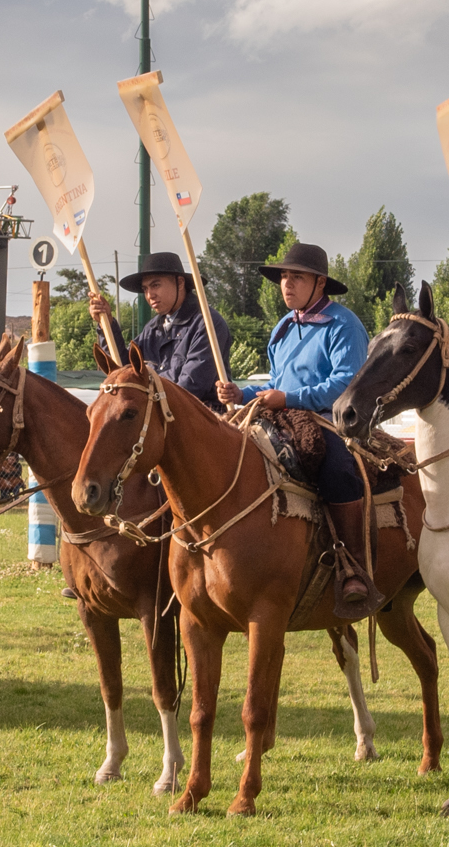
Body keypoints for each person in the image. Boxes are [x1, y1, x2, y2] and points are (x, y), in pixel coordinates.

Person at [215, 243, 377, 621]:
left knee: (337, 469)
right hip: (281, 417)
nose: (287, 284)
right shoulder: (283, 328)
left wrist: (289, 398)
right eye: (284, 277)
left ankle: (353, 566)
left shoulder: (344, 325)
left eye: (297, 277)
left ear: (320, 283)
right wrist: (242, 394)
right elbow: (276, 383)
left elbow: (346, 383)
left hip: (330, 421)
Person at [88, 252, 231, 411]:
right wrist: (107, 324)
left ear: (180, 283)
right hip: (156, 416)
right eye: (145, 289)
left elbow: (190, 386)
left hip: (202, 418)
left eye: (156, 285)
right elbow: (123, 369)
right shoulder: (152, 328)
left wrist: (145, 397)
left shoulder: (208, 324)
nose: (150, 295)